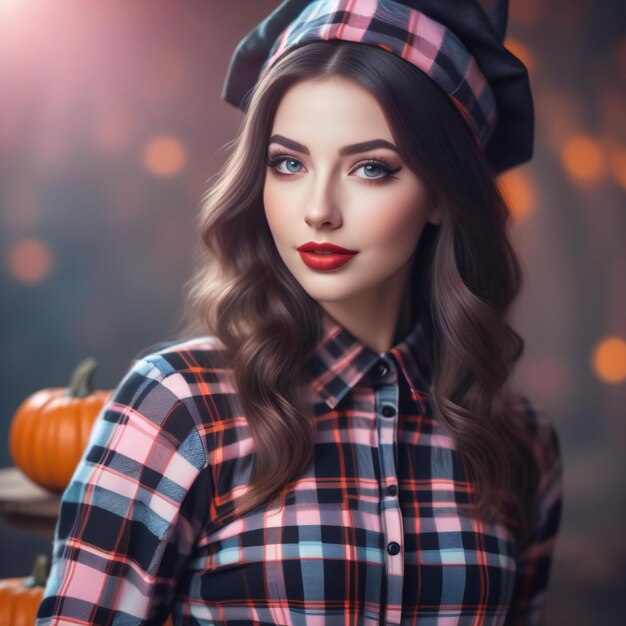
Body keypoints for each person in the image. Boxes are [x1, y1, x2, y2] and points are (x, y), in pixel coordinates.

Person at [36, 0, 563, 624]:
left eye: (371, 168)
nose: (318, 210)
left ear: (442, 195)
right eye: (289, 163)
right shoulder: (177, 408)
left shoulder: (519, 442)